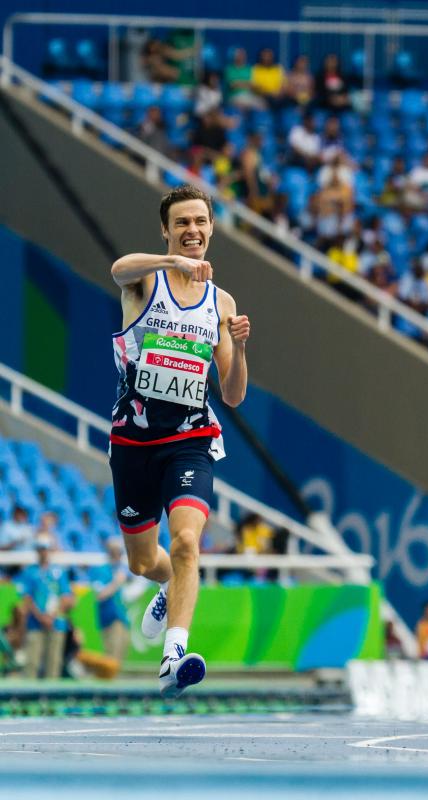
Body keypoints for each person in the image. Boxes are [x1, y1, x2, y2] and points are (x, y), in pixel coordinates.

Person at [109, 184, 251, 698]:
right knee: (144, 562)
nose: (193, 230)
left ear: (212, 228)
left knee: (188, 541)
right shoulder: (146, 280)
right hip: (133, 440)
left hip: (190, 438)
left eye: (201, 221)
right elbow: (118, 269)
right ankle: (167, 587)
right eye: (182, 222)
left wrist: (236, 347)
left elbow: (232, 395)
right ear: (168, 230)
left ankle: (173, 657)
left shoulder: (222, 302)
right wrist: (172, 262)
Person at [18, 537, 74, 679]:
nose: (43, 552)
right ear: (37, 550)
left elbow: (66, 597)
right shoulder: (30, 572)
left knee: (54, 662)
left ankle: (51, 698)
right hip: (35, 623)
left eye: (45, 548)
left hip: (56, 623)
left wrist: (51, 616)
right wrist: (41, 617)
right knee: (32, 662)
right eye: (40, 548)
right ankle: (27, 698)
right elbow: (27, 598)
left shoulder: (59, 571)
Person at [90, 537, 132, 669]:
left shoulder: (122, 569)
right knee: (112, 655)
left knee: (120, 654)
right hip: (109, 618)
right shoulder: (102, 570)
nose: (118, 554)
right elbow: (100, 595)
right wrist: (116, 582)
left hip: (122, 616)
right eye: (115, 551)